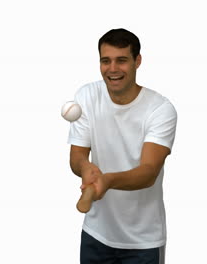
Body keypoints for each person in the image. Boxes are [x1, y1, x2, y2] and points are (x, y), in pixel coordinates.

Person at [67, 28, 177, 264]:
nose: (113, 69)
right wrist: (86, 168)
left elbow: (148, 172)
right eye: (105, 61)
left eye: (121, 60)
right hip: (95, 233)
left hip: (143, 242)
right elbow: (77, 155)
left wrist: (107, 181)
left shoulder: (160, 109)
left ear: (137, 61)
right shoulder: (87, 96)